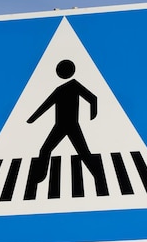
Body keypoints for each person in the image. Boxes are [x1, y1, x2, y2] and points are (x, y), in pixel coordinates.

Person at [24, 59, 103, 199]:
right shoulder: (60, 90)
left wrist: (93, 114)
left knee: (83, 153)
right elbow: (45, 105)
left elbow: (93, 98)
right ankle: (40, 176)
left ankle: (99, 178)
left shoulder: (74, 85)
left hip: (72, 126)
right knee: (45, 149)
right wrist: (32, 119)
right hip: (59, 126)